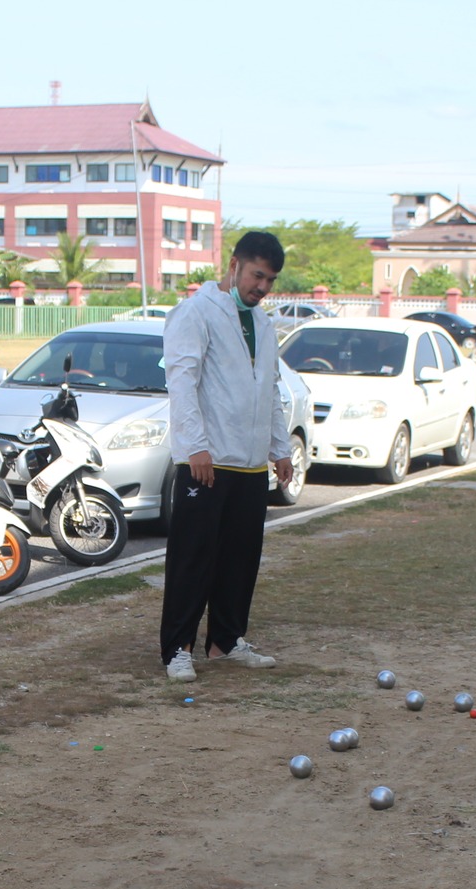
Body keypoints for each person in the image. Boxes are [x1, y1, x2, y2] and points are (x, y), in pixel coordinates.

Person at [158, 230, 295, 683]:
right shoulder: (197, 312)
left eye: (271, 280)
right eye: (258, 275)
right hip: (208, 461)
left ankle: (225, 642)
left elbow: (269, 389)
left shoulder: (265, 323)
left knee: (240, 560)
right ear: (234, 265)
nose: (263, 287)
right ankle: (178, 647)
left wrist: (279, 449)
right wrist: (195, 445)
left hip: (251, 463)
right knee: (193, 559)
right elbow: (182, 381)